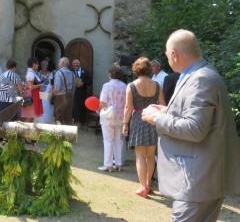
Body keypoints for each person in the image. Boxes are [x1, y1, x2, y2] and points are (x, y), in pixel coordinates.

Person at [142, 29, 240, 221]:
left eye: (167, 54)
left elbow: (195, 128)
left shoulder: (200, 79)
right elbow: (199, 118)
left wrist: (157, 119)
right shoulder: (200, 74)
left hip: (196, 180)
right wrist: (165, 112)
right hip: (204, 177)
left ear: (174, 54)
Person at [122, 57, 165, 198]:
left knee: (140, 156)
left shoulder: (131, 86)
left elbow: (128, 107)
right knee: (151, 156)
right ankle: (148, 185)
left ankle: (142, 188)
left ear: (136, 69)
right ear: (149, 69)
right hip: (153, 120)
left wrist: (124, 124)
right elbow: (163, 106)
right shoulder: (157, 85)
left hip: (139, 119)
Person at [98, 66, 126, 172]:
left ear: (110, 74)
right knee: (118, 141)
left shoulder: (107, 85)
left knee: (108, 140)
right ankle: (118, 163)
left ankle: (108, 164)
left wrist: (98, 110)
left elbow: (102, 102)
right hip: (120, 116)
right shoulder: (124, 86)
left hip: (108, 116)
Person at [53, 57, 76, 124]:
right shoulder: (72, 73)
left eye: (59, 62)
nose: (58, 64)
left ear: (63, 63)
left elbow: (57, 88)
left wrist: (52, 93)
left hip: (60, 97)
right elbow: (74, 87)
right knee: (68, 116)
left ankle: (58, 133)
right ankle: (68, 133)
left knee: (58, 116)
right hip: (70, 96)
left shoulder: (59, 73)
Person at [21, 58, 43, 122]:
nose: (38, 65)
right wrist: (40, 85)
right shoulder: (30, 73)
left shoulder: (32, 73)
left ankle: (28, 131)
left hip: (34, 95)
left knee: (32, 115)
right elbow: (30, 87)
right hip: (31, 96)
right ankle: (25, 131)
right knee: (30, 116)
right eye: (37, 64)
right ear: (33, 64)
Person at [72, 59, 92, 128]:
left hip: (82, 92)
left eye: (77, 63)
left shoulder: (85, 72)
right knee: (74, 106)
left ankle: (82, 122)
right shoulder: (71, 72)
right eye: (74, 64)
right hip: (73, 92)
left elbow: (90, 81)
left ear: (79, 64)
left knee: (82, 107)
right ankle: (75, 121)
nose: (76, 65)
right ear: (72, 65)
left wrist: (83, 83)